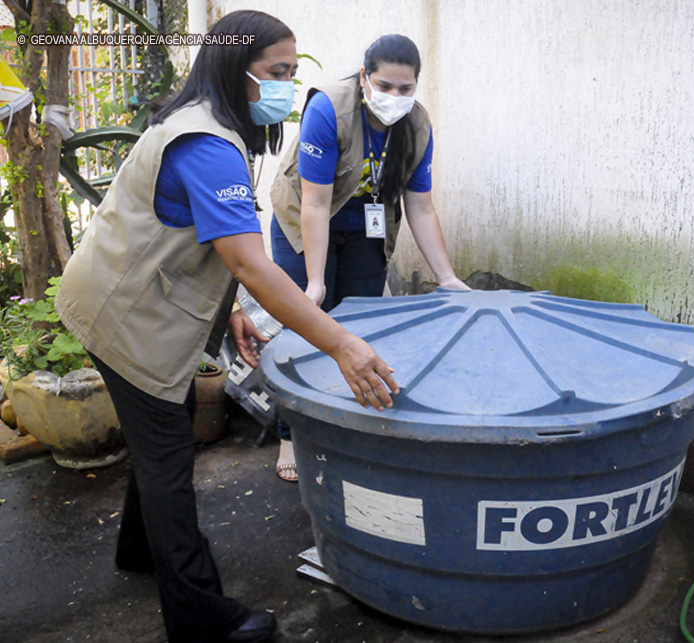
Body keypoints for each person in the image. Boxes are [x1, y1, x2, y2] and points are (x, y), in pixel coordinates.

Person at [55, 11, 398, 643]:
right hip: (126, 318)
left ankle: (139, 550)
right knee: (168, 457)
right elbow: (248, 259)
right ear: (233, 68)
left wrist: (230, 310)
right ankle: (201, 619)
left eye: (293, 73)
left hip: (125, 298)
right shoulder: (208, 144)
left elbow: (203, 240)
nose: (287, 87)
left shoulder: (206, 123)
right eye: (277, 73)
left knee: (165, 435)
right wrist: (343, 343)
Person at [268, 33, 468, 482]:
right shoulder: (329, 109)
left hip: (364, 221)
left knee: (361, 324)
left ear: (416, 86)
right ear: (364, 78)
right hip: (305, 216)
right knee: (306, 324)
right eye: (384, 85)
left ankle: (344, 424)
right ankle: (288, 433)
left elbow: (420, 205)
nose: (394, 97)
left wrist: (447, 277)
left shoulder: (416, 125)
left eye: (405, 89)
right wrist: (315, 282)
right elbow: (315, 205)